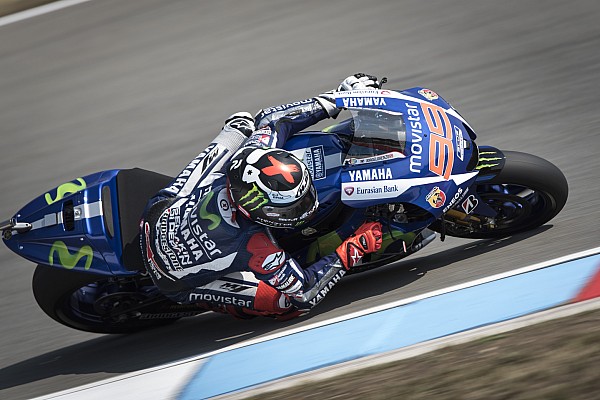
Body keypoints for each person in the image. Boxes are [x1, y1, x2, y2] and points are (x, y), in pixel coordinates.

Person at [140, 73, 384, 320]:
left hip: (159, 212)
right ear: (258, 211)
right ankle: (217, 301)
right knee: (284, 302)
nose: (306, 208)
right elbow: (305, 293)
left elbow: (272, 121)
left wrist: (337, 99)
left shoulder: (251, 152)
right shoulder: (258, 247)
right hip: (171, 278)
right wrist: (352, 250)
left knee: (241, 125)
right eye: (292, 208)